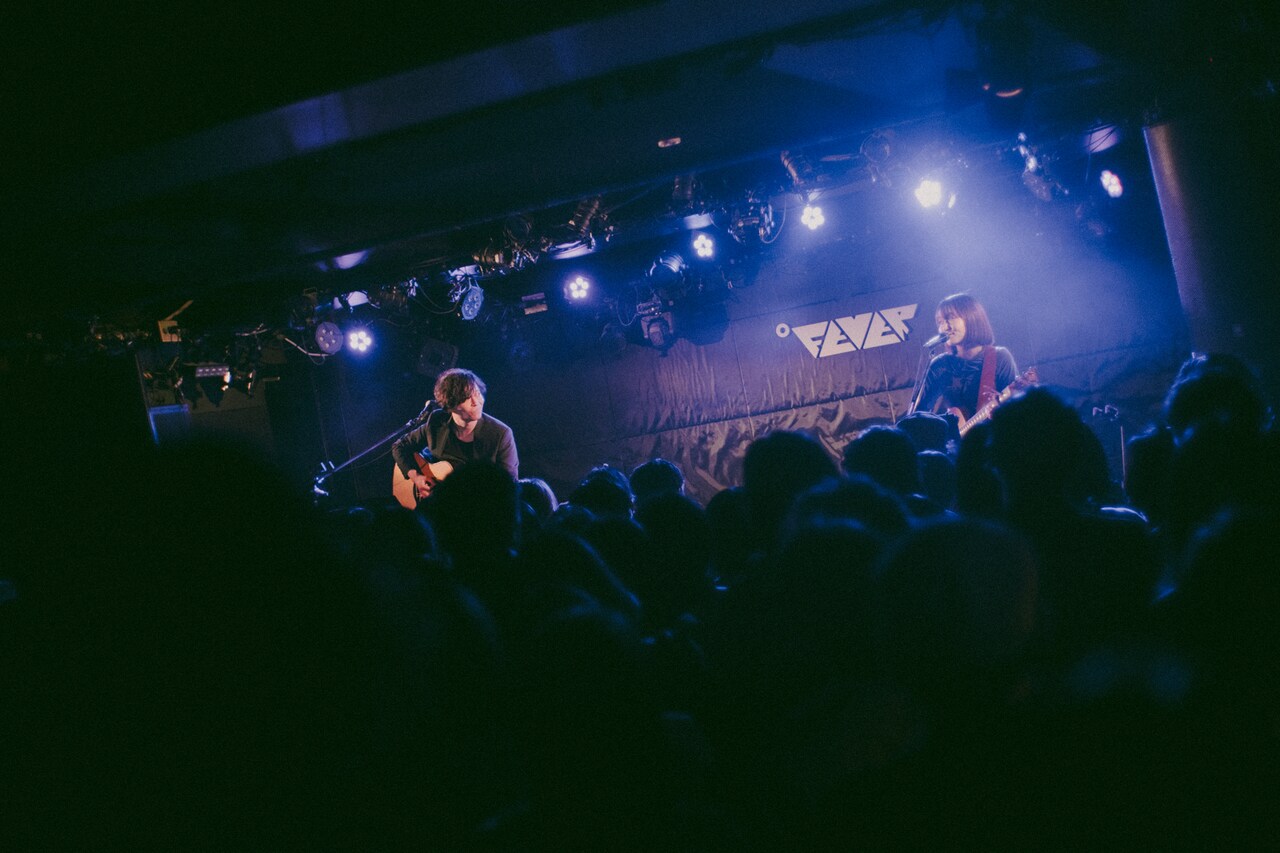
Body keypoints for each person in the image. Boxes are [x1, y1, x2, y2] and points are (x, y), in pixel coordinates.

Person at [392, 368, 518, 503]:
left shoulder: (500, 434)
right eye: (467, 398)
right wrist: (417, 477)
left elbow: (509, 487)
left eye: (477, 394)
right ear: (450, 404)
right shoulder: (437, 421)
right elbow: (399, 446)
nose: (476, 402)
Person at [911, 292, 1018, 427]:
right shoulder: (941, 365)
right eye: (940, 322)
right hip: (958, 439)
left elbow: (1016, 410)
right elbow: (919, 415)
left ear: (972, 318)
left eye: (951, 318)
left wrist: (999, 409)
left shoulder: (1000, 357)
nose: (945, 327)